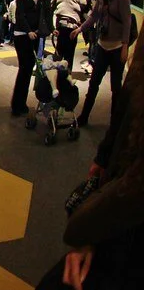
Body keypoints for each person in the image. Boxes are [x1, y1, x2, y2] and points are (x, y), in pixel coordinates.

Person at [35, 69, 144, 289]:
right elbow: (124, 112)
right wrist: (103, 157)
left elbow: (134, 188)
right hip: (117, 195)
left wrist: (87, 228)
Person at [71, 0, 132, 126]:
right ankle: (84, 116)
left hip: (117, 45)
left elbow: (127, 21)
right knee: (93, 84)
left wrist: (125, 46)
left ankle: (115, 122)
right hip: (103, 45)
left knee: (115, 87)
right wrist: (79, 29)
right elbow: (94, 16)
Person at [11, 0, 53, 116]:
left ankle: (21, 103)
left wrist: (51, 28)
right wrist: (28, 30)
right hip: (22, 34)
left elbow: (47, 9)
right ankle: (17, 104)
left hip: (36, 34)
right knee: (24, 68)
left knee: (29, 69)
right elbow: (20, 13)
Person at [52, 0, 88, 72]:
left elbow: (51, 4)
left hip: (61, 24)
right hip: (73, 25)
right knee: (70, 53)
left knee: (59, 51)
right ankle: (67, 77)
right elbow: (84, 2)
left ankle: (57, 77)